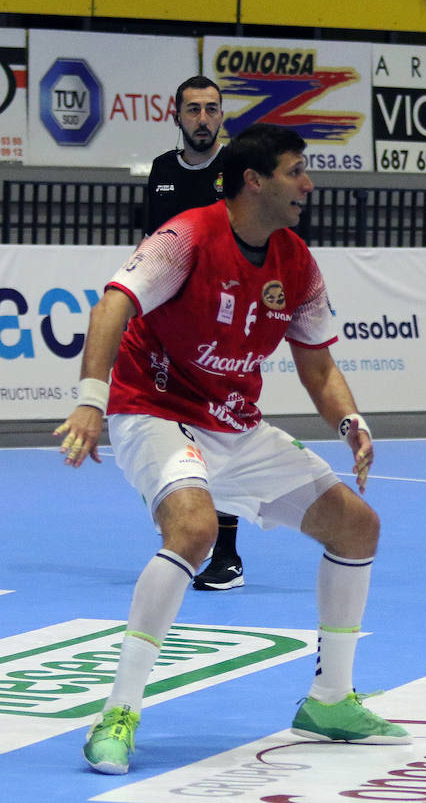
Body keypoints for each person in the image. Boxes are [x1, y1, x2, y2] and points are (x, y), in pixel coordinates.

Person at [56, 123, 410, 775]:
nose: (308, 183)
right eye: (295, 170)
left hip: (232, 422)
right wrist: (89, 396)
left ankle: (330, 699)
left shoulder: (297, 261)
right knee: (192, 529)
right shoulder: (188, 234)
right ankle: (118, 712)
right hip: (154, 406)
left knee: (357, 525)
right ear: (255, 180)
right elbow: (114, 303)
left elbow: (318, 366)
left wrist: (351, 419)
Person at [142, 75, 247, 592]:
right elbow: (151, 248)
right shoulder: (162, 171)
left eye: (211, 109)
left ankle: (227, 555)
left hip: (221, 331)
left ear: (222, 115)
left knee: (219, 438)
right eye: (193, 110)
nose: (203, 118)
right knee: (162, 432)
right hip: (164, 331)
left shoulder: (237, 171)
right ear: (176, 114)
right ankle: (184, 531)